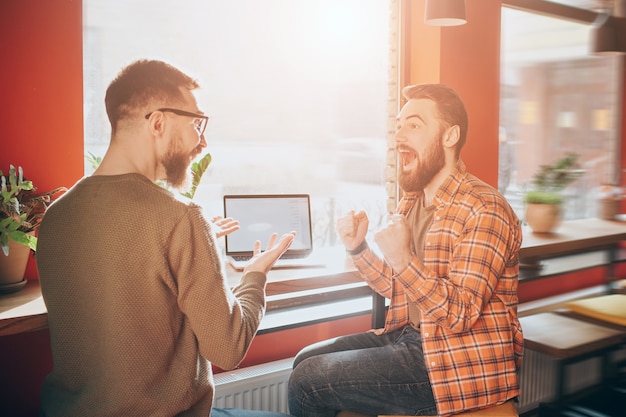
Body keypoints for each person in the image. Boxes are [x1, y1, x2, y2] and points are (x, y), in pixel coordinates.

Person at [36, 59, 296, 417]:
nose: (202, 142)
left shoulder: (55, 216)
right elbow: (228, 348)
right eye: (196, 124)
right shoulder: (180, 216)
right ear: (158, 122)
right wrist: (255, 276)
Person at [288, 84, 523, 417]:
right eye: (398, 126)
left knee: (308, 382)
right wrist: (358, 248)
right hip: (412, 339)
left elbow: (461, 314)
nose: (398, 136)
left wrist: (403, 258)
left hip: (457, 361)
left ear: (450, 136)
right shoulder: (413, 201)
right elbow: (401, 288)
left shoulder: (485, 209)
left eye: (414, 125)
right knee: (304, 359)